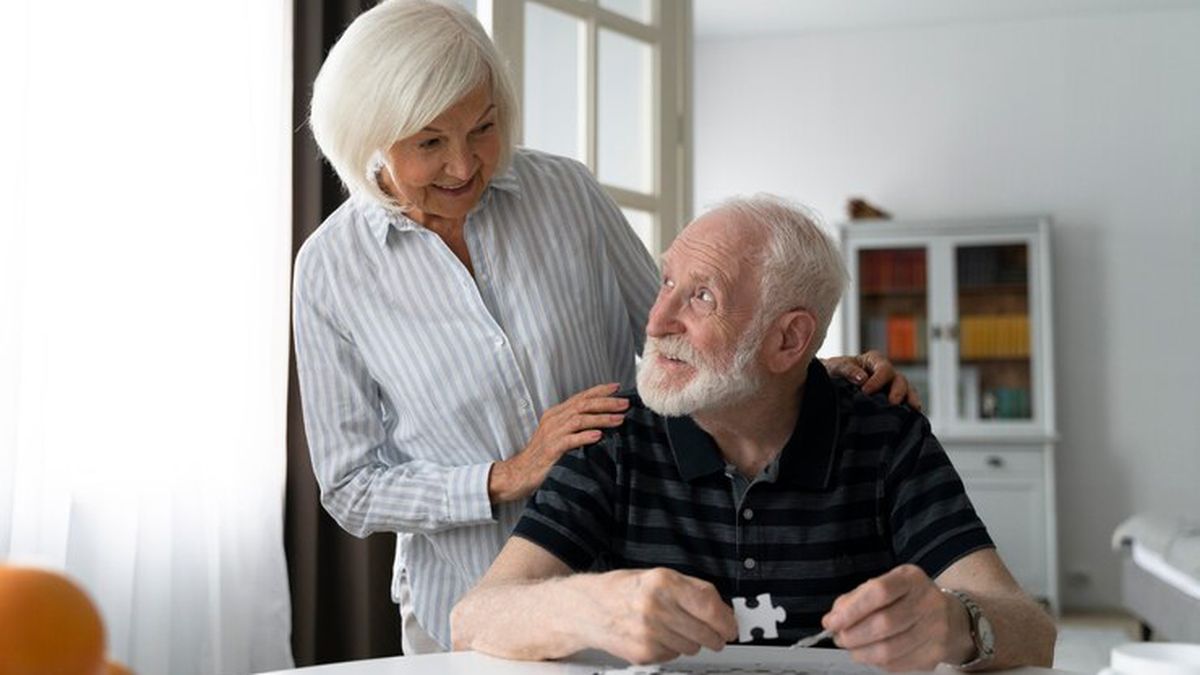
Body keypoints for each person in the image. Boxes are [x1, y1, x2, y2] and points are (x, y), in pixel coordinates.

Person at [294, 0, 917, 653]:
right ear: (366, 135)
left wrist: (806, 372)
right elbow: (350, 486)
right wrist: (506, 473)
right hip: (462, 605)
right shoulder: (330, 271)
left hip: (626, 594)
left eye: (483, 127)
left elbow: (685, 341)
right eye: (429, 143)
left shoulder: (566, 194)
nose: (465, 165)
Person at [450, 195, 1057, 671]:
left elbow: (1033, 631)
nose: (657, 320)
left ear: (789, 340)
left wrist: (953, 624)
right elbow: (474, 619)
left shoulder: (886, 433)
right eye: (666, 282)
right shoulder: (613, 435)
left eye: (702, 296)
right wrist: (591, 608)